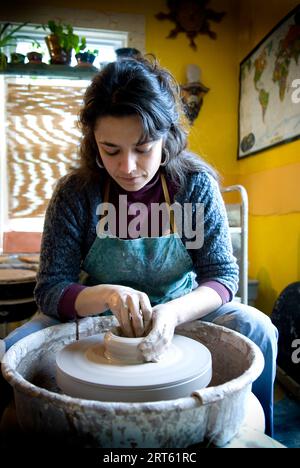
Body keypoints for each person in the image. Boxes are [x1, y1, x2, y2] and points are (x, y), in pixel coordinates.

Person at [0, 56, 277, 437]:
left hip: (182, 308)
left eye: (143, 148)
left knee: (256, 327)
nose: (127, 166)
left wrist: (173, 314)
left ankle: (256, 436)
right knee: (12, 348)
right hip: (98, 312)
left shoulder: (193, 186)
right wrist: (109, 295)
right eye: (110, 149)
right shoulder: (77, 194)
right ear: (93, 142)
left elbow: (221, 276)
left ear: (167, 137)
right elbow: (50, 289)